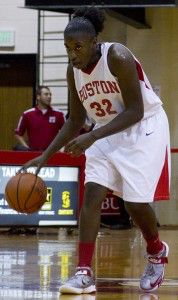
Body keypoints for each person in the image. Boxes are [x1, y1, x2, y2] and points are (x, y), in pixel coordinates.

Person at [20, 7, 170, 294]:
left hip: (143, 127)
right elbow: (76, 119)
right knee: (91, 196)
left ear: (93, 42)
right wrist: (46, 154)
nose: (72, 54)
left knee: (134, 204)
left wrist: (93, 137)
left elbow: (136, 110)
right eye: (67, 48)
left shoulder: (117, 56)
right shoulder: (72, 71)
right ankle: (84, 272)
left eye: (77, 47)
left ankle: (156, 250)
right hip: (105, 130)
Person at [14, 86, 65, 151]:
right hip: (33, 155)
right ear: (38, 97)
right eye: (46, 94)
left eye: (50, 94)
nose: (49, 97)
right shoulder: (27, 114)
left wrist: (62, 148)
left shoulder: (59, 114)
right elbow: (18, 134)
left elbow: (67, 133)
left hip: (52, 154)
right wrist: (26, 148)